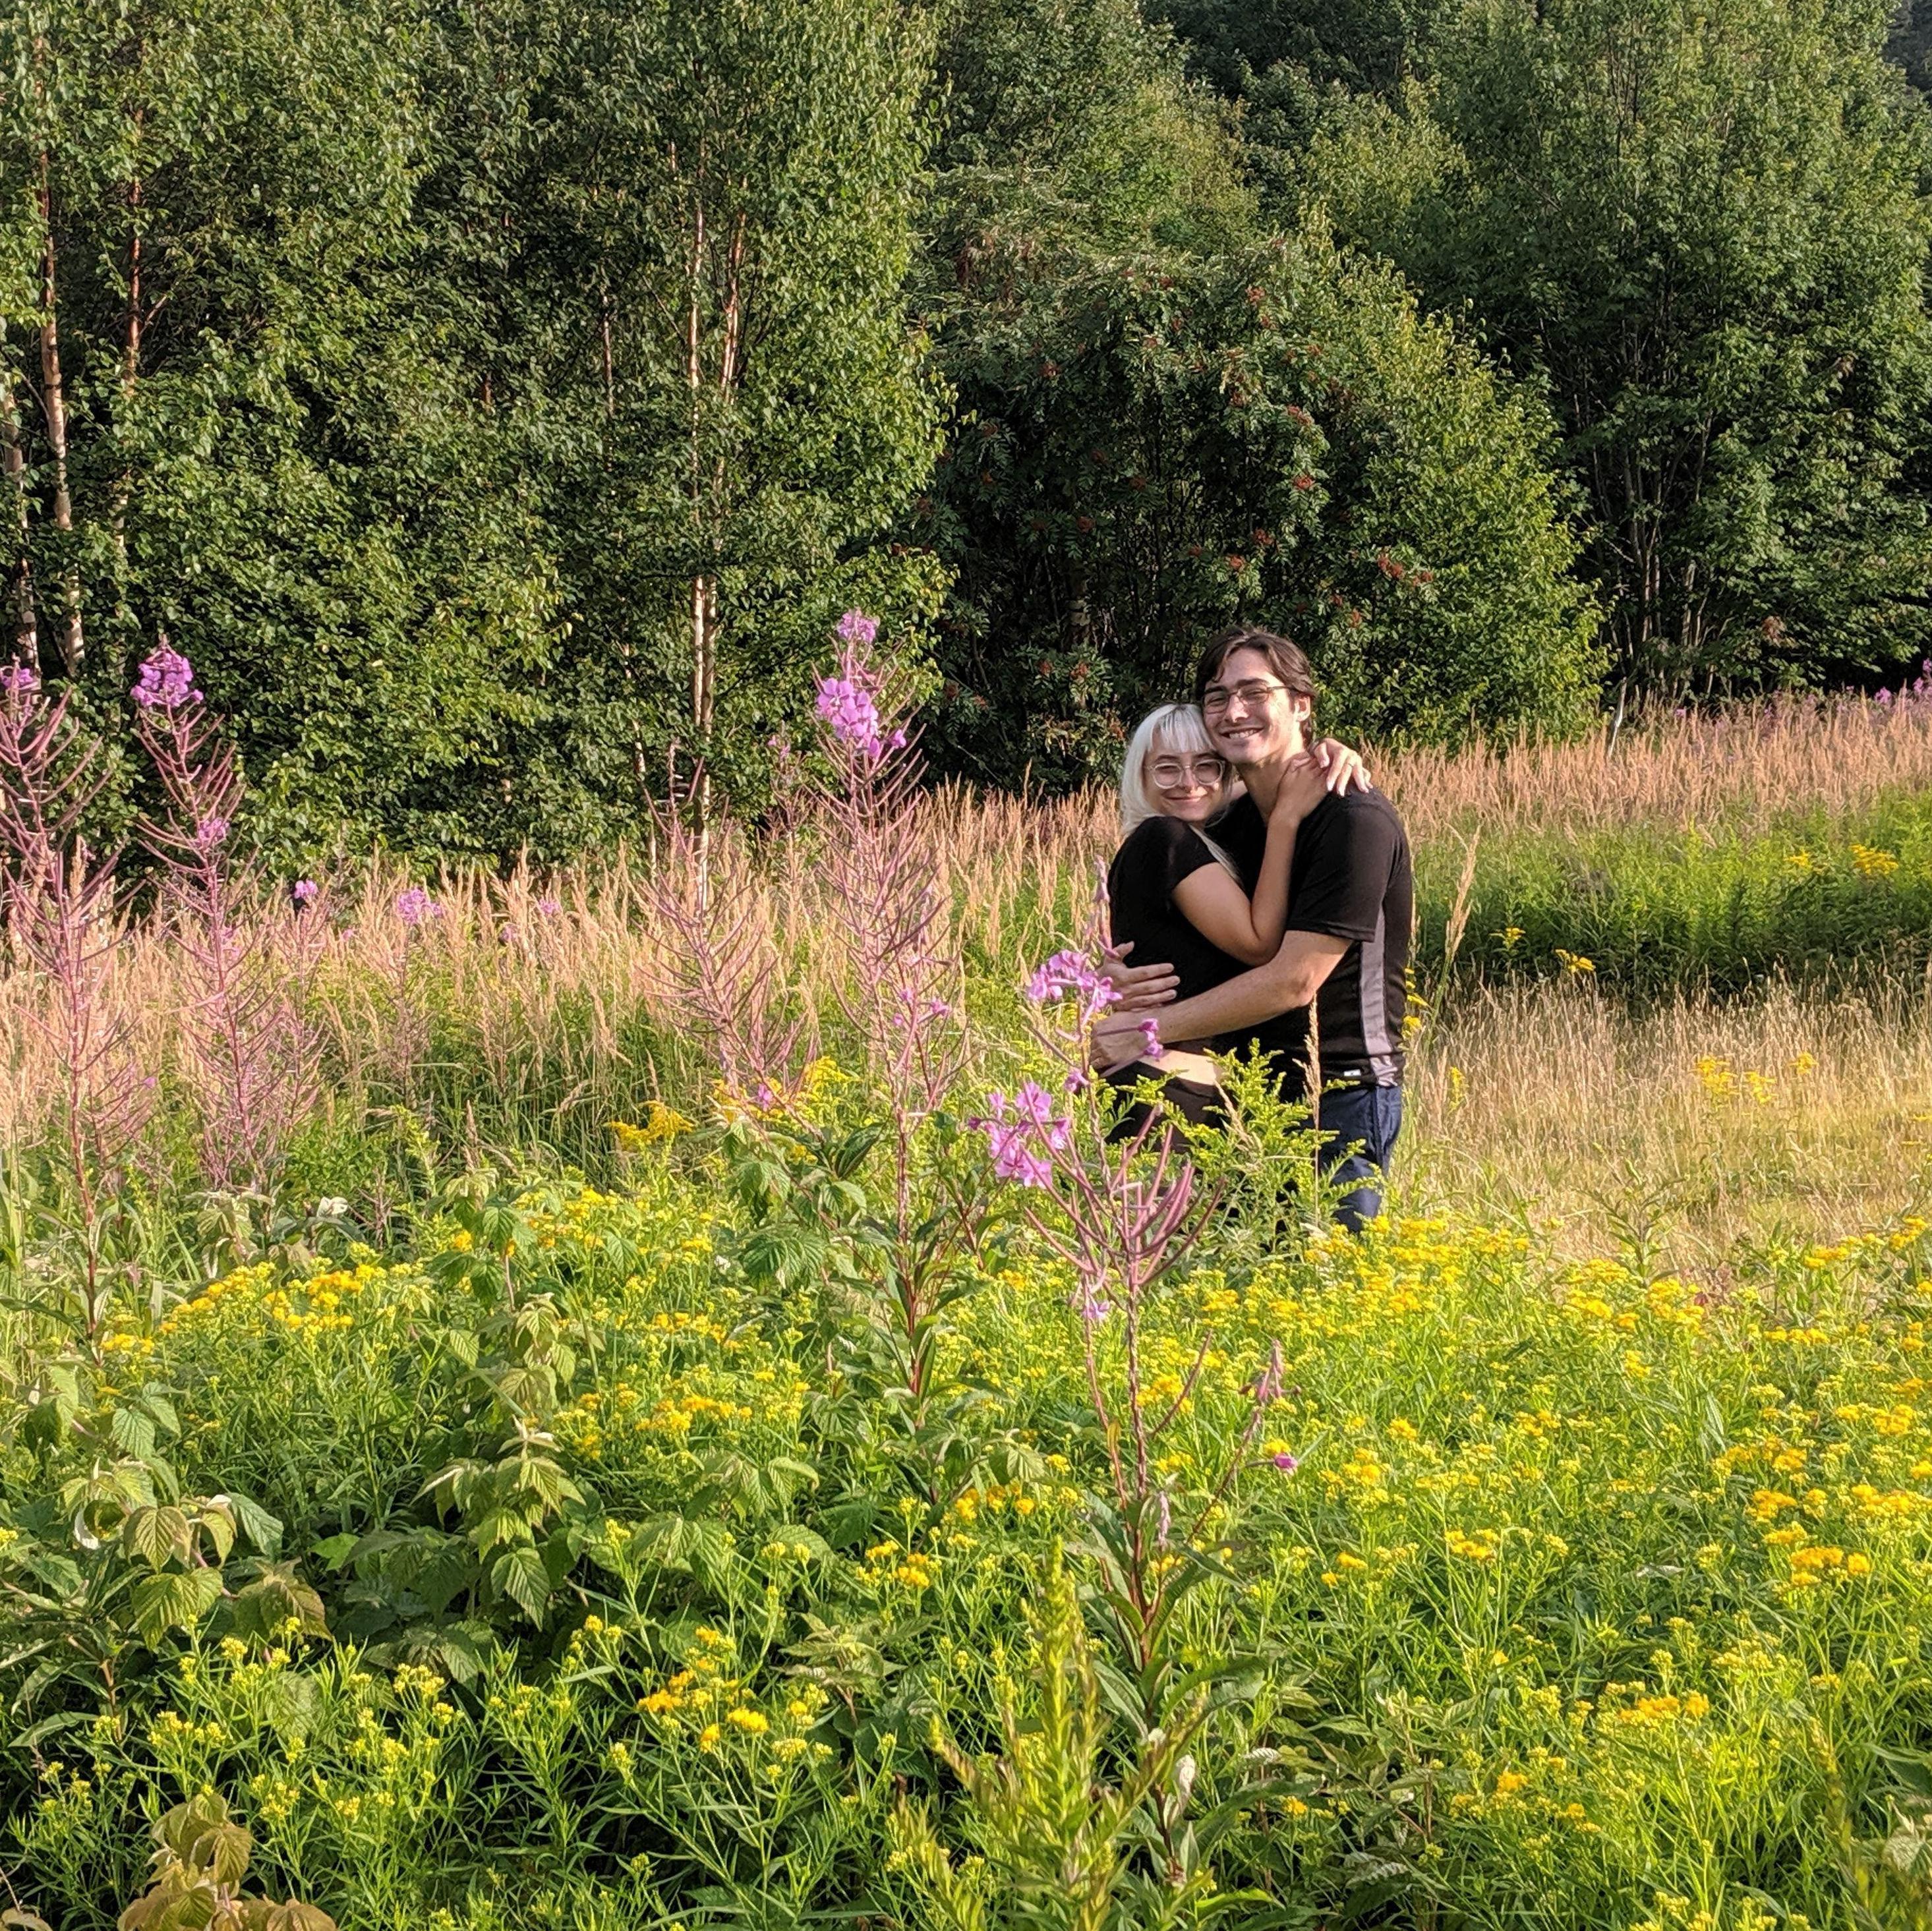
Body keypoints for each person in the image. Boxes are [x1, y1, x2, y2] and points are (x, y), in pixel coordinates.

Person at [1098, 627, 1413, 1230]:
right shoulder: (1228, 823)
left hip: (1339, 1094)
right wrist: (1111, 975)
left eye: (1253, 692)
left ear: (1300, 704)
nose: (1233, 711)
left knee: (1324, 1288)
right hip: (1235, 1097)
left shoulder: (1354, 818)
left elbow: (1293, 982)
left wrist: (1141, 1030)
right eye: (1216, 696)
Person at [1103, 699, 1368, 1136]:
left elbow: (1263, 769)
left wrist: (1328, 752)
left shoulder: (1194, 839)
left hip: (1178, 1082)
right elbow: (1258, 944)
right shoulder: (1164, 838)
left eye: (1205, 766)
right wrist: (1285, 819)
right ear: (1140, 775)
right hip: (1172, 1087)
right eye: (1166, 768)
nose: (1188, 783)